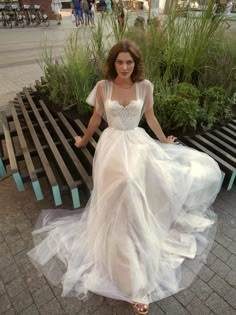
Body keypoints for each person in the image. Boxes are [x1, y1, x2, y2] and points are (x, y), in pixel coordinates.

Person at [28, 39, 221, 314]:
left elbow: (150, 116)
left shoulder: (146, 86)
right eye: (119, 61)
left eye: (129, 62)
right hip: (111, 145)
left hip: (137, 143)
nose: (124, 67)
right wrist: (83, 140)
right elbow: (96, 116)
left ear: (136, 63)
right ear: (112, 62)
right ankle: (129, 271)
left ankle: (137, 245)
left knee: (136, 182)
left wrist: (164, 139)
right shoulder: (102, 86)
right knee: (126, 183)